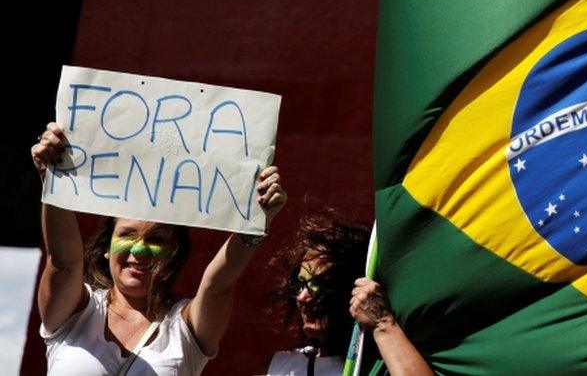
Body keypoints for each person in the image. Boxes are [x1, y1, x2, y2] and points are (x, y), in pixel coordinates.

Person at [32, 121, 287, 375]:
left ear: (174, 253)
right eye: (127, 235)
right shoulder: (75, 312)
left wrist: (255, 221)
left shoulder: (184, 328)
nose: (140, 250)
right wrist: (53, 179)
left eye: (156, 240)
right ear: (106, 247)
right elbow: (64, 262)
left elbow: (217, 287)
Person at [261, 211, 430, 375]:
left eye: (318, 284)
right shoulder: (280, 368)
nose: (302, 297)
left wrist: (382, 325)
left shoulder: (385, 366)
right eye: (300, 283)